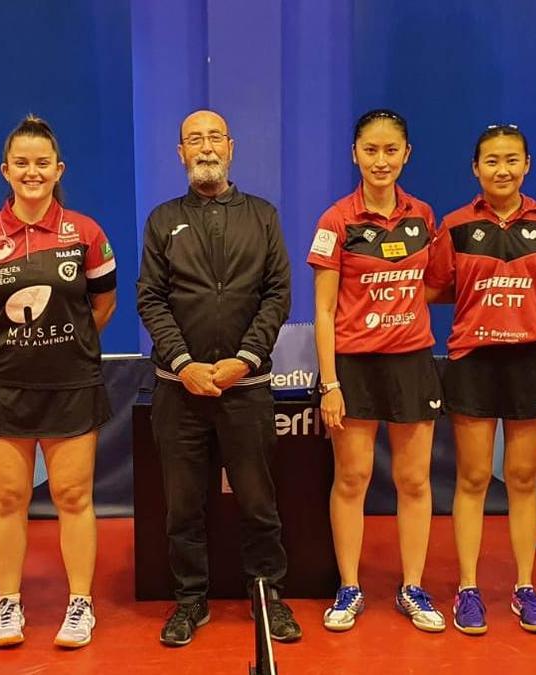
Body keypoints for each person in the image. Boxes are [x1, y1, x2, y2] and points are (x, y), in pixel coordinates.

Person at [137, 109, 300, 647]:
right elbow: (150, 298)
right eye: (193, 140)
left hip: (246, 389)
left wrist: (247, 358)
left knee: (258, 501)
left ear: (231, 147)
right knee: (184, 505)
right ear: (179, 153)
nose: (205, 148)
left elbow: (278, 293)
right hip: (178, 390)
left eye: (214, 138)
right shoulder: (162, 220)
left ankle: (267, 596)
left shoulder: (263, 215)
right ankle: (190, 601)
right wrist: (184, 364)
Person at [0, 115, 116, 650]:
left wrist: (60, 347)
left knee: (73, 496)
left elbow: (103, 303)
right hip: (2, 384)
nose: (32, 171)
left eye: (42, 163)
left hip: (71, 382)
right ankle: (8, 603)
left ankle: (80, 604)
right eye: (21, 163)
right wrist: (18, 349)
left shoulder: (85, 233)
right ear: (5, 170)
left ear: (58, 169)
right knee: (7, 499)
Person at [426, 124, 536, 635]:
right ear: (475, 168)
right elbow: (436, 287)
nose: (502, 169)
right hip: (472, 360)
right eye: (491, 161)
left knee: (525, 479)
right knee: (472, 478)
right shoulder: (456, 224)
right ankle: (468, 588)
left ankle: (524, 587)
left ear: (527, 165)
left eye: (512, 160)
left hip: (531, 358)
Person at [307, 109, 444, 633]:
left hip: (411, 361)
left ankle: (412, 586)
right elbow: (322, 310)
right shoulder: (336, 221)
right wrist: (331, 383)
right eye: (371, 150)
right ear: (355, 154)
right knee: (353, 477)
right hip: (355, 367)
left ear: (406, 154)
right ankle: (349, 587)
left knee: (413, 479)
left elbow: (429, 285)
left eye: (391, 150)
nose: (381, 160)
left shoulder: (423, 216)